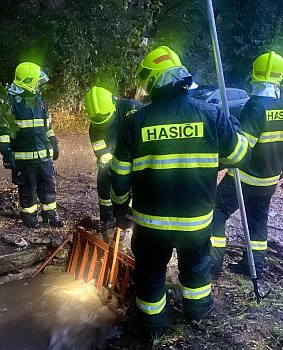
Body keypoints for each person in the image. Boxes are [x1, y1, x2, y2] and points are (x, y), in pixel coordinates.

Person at [110, 45, 250, 336]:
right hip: (197, 222)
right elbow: (238, 157)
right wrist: (231, 129)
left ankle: (152, 328)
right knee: (196, 269)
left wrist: (120, 209)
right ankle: (197, 313)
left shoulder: (135, 122)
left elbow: (119, 175)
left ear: (149, 82)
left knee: (149, 275)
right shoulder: (211, 115)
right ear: (181, 76)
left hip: (150, 226)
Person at [210, 51, 283, 277]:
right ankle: (255, 265)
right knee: (257, 220)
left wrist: (219, 163)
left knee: (217, 211)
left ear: (255, 75)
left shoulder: (254, 106)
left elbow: (244, 147)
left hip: (244, 177)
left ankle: (213, 265)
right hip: (270, 179)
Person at [0, 62, 63, 229]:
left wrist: (53, 141)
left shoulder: (39, 100)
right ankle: (28, 216)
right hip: (23, 158)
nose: (38, 84)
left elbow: (47, 125)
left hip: (43, 156)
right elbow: (3, 131)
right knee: (28, 188)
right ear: (27, 80)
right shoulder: (11, 102)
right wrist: (7, 152)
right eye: (36, 81)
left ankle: (50, 215)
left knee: (48, 185)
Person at [85, 86, 143, 231]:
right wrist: (117, 170)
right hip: (114, 162)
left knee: (136, 187)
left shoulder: (132, 108)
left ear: (114, 105)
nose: (101, 123)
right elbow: (103, 155)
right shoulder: (94, 129)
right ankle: (107, 218)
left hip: (138, 158)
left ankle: (132, 218)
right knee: (103, 178)